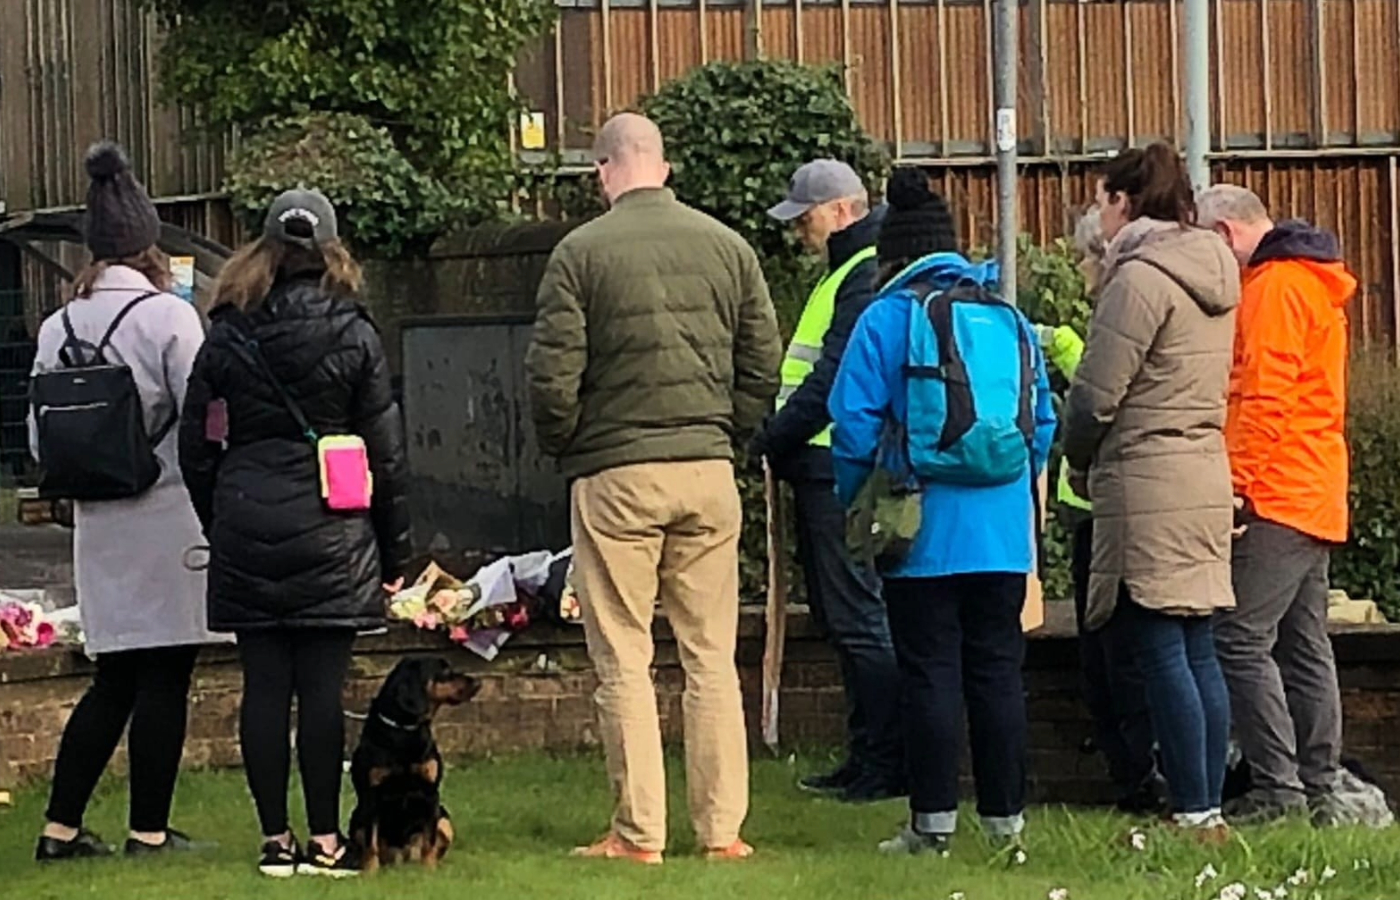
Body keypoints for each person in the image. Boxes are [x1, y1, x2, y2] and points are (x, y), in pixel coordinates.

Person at [525, 113, 782, 865]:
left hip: (616, 472)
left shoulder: (579, 253)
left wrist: (569, 444)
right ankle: (721, 831)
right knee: (709, 656)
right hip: (706, 469)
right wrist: (723, 431)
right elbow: (761, 361)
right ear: (663, 167)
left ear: (603, 171)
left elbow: (551, 378)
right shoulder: (728, 247)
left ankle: (638, 834)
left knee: (625, 658)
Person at [179, 189, 411, 877]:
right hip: (332, 528)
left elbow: (195, 445)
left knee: (263, 687)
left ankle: (274, 840)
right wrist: (395, 551)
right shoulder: (354, 331)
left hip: (246, 519)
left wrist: (219, 516)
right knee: (321, 691)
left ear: (265, 249)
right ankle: (326, 839)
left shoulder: (227, 329)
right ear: (333, 249)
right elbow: (385, 454)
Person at [829, 167, 1056, 857]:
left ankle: (932, 824)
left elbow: (850, 423)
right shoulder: (1007, 317)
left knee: (929, 672)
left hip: (922, 528)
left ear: (894, 255)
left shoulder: (887, 317)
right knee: (996, 672)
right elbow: (1041, 421)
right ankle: (1006, 824)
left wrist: (863, 500)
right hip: (1001, 533)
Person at [30, 142, 215, 862]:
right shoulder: (169, 319)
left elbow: (40, 440)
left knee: (112, 679)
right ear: (146, 244)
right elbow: (204, 415)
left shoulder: (57, 327)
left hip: (98, 520)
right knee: (167, 671)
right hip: (167, 510)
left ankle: (60, 827)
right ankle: (149, 830)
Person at [1062, 143, 1239, 838]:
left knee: (1162, 642)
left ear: (1125, 202)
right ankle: (1211, 803)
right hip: (1203, 464)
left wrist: (1077, 458)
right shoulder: (1217, 267)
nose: (1098, 215)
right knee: (1198, 644)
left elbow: (1097, 394)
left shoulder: (1136, 279)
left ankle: (1192, 808)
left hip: (1147, 473)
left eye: (1103, 200)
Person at [1196, 185, 1353, 825]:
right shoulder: (1314, 283)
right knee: (1303, 644)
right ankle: (1319, 786)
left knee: (1239, 638)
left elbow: (1263, 396)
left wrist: (1235, 483)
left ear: (1229, 234)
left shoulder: (1273, 289)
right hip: (1314, 488)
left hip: (1277, 491)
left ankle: (1279, 791)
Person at [751, 159, 903, 803]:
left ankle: (884, 765)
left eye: (805, 217)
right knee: (849, 619)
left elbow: (832, 379)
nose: (800, 231)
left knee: (861, 617)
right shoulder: (849, 268)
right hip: (823, 463)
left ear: (842, 210)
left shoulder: (860, 271)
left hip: (834, 465)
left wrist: (772, 438)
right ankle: (867, 756)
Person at [1041, 209, 1161, 815]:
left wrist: (1062, 349)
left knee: (1119, 656)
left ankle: (1143, 783)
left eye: (1088, 258)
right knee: (1106, 657)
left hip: (1112, 508)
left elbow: (1104, 396)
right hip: (1092, 507)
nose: (1083, 270)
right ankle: (1134, 780)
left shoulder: (1130, 307)